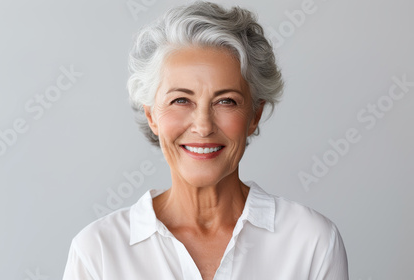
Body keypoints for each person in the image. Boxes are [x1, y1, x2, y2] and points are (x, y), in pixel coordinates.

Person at [62, 1, 349, 279]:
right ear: (152, 116)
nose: (203, 126)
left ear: (255, 114)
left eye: (226, 101)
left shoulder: (312, 243)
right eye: (180, 100)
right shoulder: (97, 252)